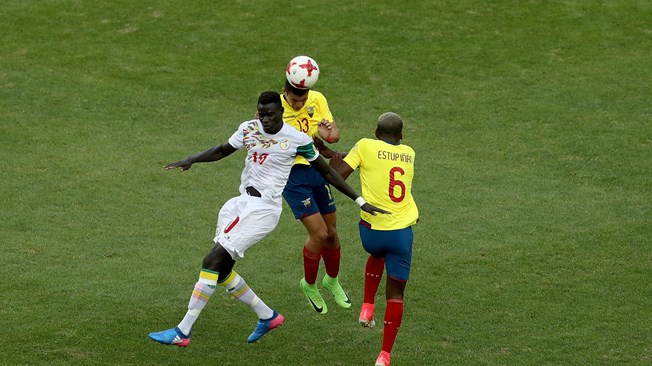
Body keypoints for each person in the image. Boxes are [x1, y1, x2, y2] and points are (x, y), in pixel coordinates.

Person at [148, 91, 387, 347]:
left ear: (281, 113)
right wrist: (191, 160)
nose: (265, 120)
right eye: (261, 114)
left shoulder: (297, 140)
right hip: (240, 203)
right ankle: (267, 316)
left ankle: (182, 332)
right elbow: (221, 150)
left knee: (212, 260)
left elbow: (327, 172)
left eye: (270, 114)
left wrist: (359, 201)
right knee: (223, 269)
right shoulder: (249, 129)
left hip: (263, 209)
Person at [330, 112, 418, 366]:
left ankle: (367, 305)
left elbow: (341, 174)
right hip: (401, 233)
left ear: (376, 132)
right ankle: (385, 355)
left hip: (370, 233)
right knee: (396, 294)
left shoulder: (365, 145)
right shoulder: (410, 153)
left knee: (376, 253)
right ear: (400, 136)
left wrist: (333, 160)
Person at [281, 62, 349, 315]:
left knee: (332, 232)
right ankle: (309, 285)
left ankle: (331, 280)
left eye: (303, 100)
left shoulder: (317, 99)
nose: (299, 105)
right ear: (285, 91)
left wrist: (329, 135)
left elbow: (333, 136)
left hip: (317, 170)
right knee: (319, 234)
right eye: (294, 101)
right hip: (293, 177)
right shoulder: (274, 110)